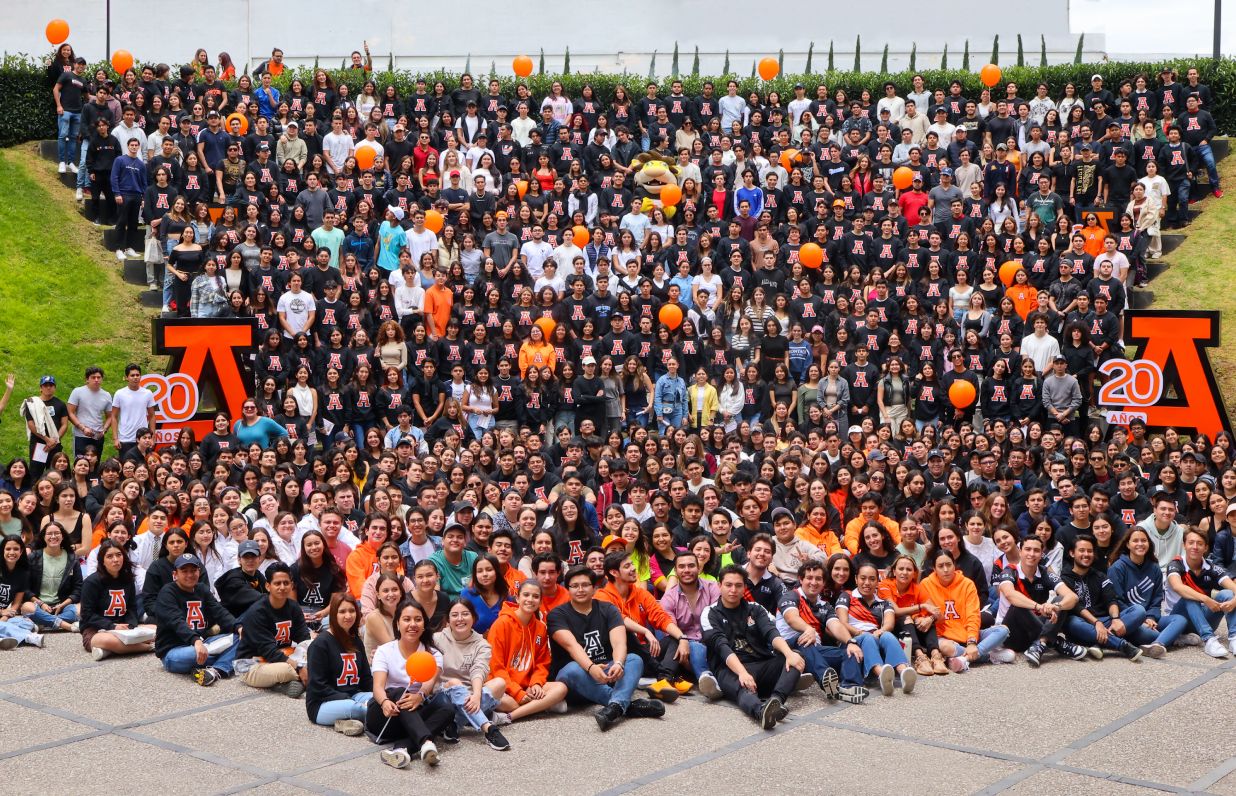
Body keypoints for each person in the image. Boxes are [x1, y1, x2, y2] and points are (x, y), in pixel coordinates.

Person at [547, 565, 664, 731]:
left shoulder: (607, 609)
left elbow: (619, 643)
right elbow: (572, 646)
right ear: (568, 589)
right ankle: (625, 705)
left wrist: (617, 664)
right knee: (571, 669)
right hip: (577, 679)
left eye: (585, 585)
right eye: (574, 586)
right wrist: (591, 667)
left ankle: (614, 708)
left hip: (608, 673)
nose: (580, 589)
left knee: (634, 659)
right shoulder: (557, 615)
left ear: (595, 588)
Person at [700, 564, 807, 728]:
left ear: (744, 587)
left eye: (738, 585)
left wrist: (788, 653)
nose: (733, 590)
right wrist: (742, 673)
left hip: (761, 663)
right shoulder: (710, 613)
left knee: (795, 655)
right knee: (744, 689)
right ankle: (762, 712)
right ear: (719, 586)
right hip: (730, 669)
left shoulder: (755, 608)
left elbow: (771, 633)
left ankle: (776, 701)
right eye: (728, 585)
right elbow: (721, 646)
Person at [365, 600, 455, 769]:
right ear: (397, 624)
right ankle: (426, 742)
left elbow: (428, 685)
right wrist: (384, 702)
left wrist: (419, 696)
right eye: (406, 619)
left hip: (414, 714)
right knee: (399, 691)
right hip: (385, 715)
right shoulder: (384, 650)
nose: (412, 624)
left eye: (418, 619)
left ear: (424, 625)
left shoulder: (433, 654)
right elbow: (377, 687)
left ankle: (402, 749)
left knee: (447, 707)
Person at [776, 560, 870, 703]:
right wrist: (808, 629)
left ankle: (848, 688)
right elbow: (791, 618)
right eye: (809, 578)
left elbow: (836, 625)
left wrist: (850, 642)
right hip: (788, 651)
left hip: (814, 652)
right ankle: (826, 677)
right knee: (804, 639)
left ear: (824, 582)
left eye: (818, 579)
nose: (814, 582)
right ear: (801, 579)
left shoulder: (824, 605)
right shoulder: (791, 596)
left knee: (850, 651)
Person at [431, 598, 511, 751]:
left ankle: (455, 723)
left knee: (499, 683)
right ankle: (488, 728)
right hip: (444, 696)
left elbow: (478, 670)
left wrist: (476, 695)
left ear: (473, 618)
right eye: (455, 615)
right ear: (448, 620)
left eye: (465, 614)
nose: (460, 619)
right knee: (454, 683)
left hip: (470, 698)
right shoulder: (437, 639)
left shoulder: (482, 644)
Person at [152, 553, 240, 686]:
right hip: (175, 651)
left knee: (241, 637)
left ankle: (216, 670)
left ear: (199, 571)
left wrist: (239, 627)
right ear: (175, 574)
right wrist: (196, 641)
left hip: (204, 643)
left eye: (193, 570)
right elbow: (177, 622)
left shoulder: (202, 589)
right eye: (184, 571)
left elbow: (220, 612)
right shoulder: (167, 592)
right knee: (197, 653)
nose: (190, 575)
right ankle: (233, 659)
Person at [488, 579, 570, 721]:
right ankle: (543, 705)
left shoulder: (540, 627)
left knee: (561, 688)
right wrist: (518, 693)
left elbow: (542, 662)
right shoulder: (501, 624)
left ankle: (510, 716)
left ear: (540, 601)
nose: (530, 600)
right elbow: (496, 667)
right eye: (526, 595)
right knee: (508, 702)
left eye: (535, 596)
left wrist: (536, 683)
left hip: (528, 686)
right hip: (505, 687)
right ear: (517, 597)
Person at [917, 550, 1013, 669]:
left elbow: (973, 615)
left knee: (1003, 630)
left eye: (948, 564)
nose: (945, 569)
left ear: (954, 565)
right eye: (941, 566)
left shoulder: (967, 584)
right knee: (945, 648)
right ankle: (989, 656)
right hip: (944, 637)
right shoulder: (925, 585)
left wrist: (972, 642)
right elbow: (924, 615)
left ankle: (965, 658)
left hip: (968, 633)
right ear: (934, 568)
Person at [834, 562, 915, 695]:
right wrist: (860, 632)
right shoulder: (847, 596)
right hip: (852, 640)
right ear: (856, 579)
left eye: (872, 579)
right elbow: (842, 622)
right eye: (863, 578)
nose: (867, 583)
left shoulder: (884, 603)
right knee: (867, 637)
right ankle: (882, 674)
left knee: (888, 635)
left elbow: (889, 623)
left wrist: (881, 631)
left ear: (878, 581)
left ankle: (904, 672)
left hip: (875, 637)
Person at [234, 561, 312, 695]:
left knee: (316, 651)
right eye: (277, 583)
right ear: (268, 586)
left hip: (283, 656)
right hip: (252, 664)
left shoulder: (293, 607)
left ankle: (287, 683)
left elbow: (304, 638)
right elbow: (268, 651)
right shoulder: (257, 612)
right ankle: (293, 680)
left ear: (292, 585)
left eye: (286, 583)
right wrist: (300, 666)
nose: (282, 587)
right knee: (286, 670)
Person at [306, 592, 373, 735]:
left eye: (352, 611)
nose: (348, 616)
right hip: (322, 704)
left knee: (382, 700)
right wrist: (348, 698)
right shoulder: (320, 644)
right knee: (357, 708)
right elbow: (318, 686)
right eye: (342, 611)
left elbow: (366, 678)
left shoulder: (356, 641)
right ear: (333, 615)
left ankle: (348, 721)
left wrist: (380, 696)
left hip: (354, 695)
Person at [78, 539, 156, 660]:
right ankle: (149, 647)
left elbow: (131, 607)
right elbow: (87, 614)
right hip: (97, 630)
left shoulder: (128, 579)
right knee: (108, 641)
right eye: (109, 556)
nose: (115, 559)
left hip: (122, 627)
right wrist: (112, 626)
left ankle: (112, 651)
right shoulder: (92, 582)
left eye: (119, 555)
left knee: (156, 629)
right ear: (102, 561)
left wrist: (131, 625)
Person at [1166, 529, 1236, 659]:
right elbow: (1178, 587)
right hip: (1179, 620)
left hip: (1204, 617)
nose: (1195, 547)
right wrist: (1205, 598)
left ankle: (1234, 637)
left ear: (1205, 548)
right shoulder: (1175, 564)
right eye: (1191, 542)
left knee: (1227, 593)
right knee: (1189, 596)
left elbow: (1233, 587)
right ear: (1184, 545)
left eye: (1199, 543)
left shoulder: (1211, 567)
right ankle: (1209, 640)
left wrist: (1234, 600)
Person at [110, 364, 156, 457]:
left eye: (137, 375)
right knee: (127, 467)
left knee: (143, 468)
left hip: (143, 438)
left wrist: (152, 437)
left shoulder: (147, 393)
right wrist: (115, 438)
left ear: (140, 376)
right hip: (125, 438)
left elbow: (152, 416)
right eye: (132, 375)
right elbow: (114, 416)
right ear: (127, 377)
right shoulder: (119, 393)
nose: (135, 377)